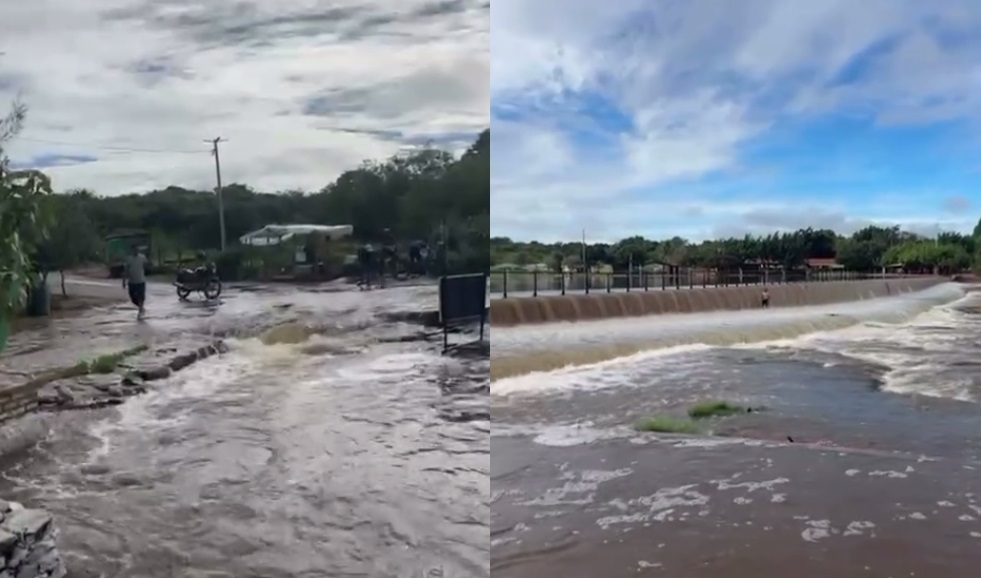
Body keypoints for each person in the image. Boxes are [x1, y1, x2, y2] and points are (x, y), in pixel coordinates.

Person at [122, 245, 148, 319]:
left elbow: (147, 265)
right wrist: (124, 281)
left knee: (141, 297)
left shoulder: (142, 257)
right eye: (134, 250)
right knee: (133, 298)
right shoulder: (129, 259)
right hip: (132, 281)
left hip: (141, 280)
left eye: (136, 250)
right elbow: (125, 271)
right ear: (132, 251)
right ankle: (141, 307)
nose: (135, 251)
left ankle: (140, 310)